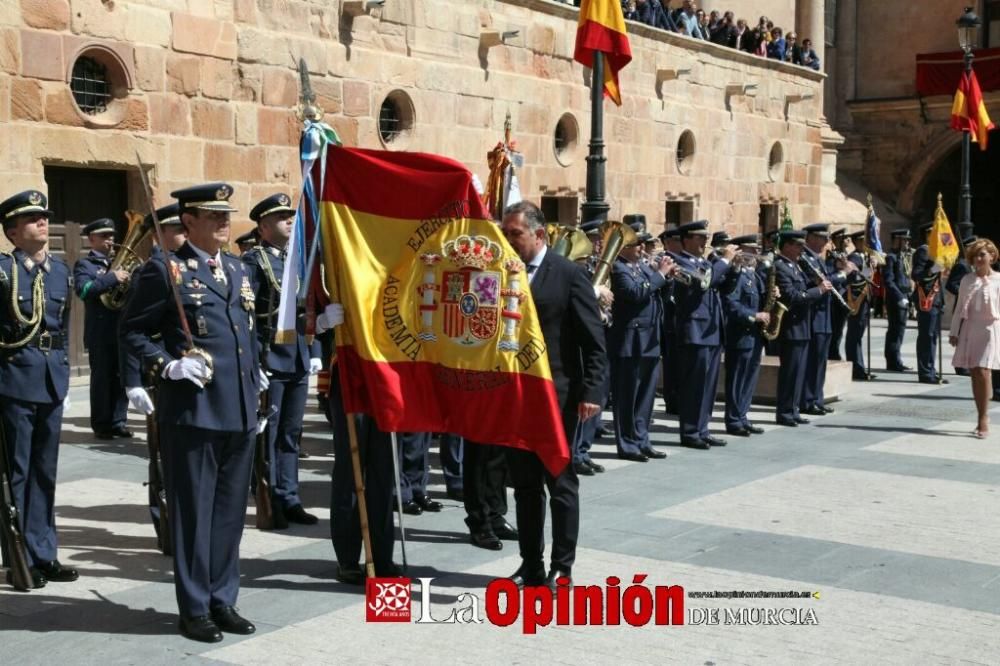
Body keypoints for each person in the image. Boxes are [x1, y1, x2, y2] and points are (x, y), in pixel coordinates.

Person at [120, 182, 262, 643]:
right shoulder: (166, 272)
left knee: (228, 514)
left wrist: (255, 375)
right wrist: (167, 365)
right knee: (194, 514)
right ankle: (195, 607)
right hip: (195, 411)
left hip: (238, 410)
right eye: (213, 215)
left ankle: (224, 599)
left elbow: (244, 332)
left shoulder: (239, 271)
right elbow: (133, 332)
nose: (224, 222)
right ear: (189, 222)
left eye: (226, 215)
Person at [500, 201, 606, 591]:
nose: (509, 241)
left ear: (539, 235)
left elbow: (593, 341)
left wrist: (592, 391)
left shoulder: (569, 275)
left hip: (558, 397)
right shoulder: (501, 273)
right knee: (525, 487)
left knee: (560, 484)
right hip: (516, 397)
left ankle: (563, 567)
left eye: (516, 234)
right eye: (506, 234)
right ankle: (530, 564)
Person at [0, 190, 77, 589]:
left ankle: (44, 552)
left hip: (51, 379)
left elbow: (61, 330)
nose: (43, 222)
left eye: (44, 216)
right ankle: (17, 556)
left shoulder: (61, 271)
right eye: (32, 219)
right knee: (17, 472)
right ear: (13, 232)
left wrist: (61, 366)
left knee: (44, 472)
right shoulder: (3, 271)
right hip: (14, 378)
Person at [242, 193, 321, 528]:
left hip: (298, 358)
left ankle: (290, 497)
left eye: (290, 216)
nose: (289, 220)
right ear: (262, 227)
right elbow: (247, 317)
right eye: (280, 217)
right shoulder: (254, 262)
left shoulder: (297, 261)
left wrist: (315, 351)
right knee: (269, 436)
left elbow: (307, 310)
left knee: (292, 434)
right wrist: (253, 363)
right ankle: (271, 497)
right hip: (270, 359)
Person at [608, 222, 675, 462]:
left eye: (643, 244)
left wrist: (668, 279)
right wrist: (660, 275)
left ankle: (642, 439)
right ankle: (627, 444)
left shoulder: (642, 267)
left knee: (646, 396)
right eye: (638, 244)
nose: (642, 248)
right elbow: (636, 294)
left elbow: (659, 294)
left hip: (649, 339)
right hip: (630, 340)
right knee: (627, 395)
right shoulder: (618, 268)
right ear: (624, 246)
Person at [673, 220, 734, 449]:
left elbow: (723, 286)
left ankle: (702, 428)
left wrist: (734, 268)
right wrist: (725, 261)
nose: (704, 242)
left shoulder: (704, 262)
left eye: (705, 238)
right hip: (695, 331)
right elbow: (703, 284)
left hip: (711, 329)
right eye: (699, 237)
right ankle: (690, 431)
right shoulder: (680, 262)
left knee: (708, 386)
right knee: (694, 385)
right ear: (686, 239)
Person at [73, 217, 132, 439]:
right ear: (92, 239)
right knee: (102, 379)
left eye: (112, 236)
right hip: (100, 332)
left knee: (121, 377)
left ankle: (119, 421)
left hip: (121, 329)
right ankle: (101, 424)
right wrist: (111, 278)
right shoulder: (85, 265)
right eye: (105, 236)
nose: (110, 240)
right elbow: (84, 290)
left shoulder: (119, 262)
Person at [773, 230, 832, 426]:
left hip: (803, 326)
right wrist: (819, 290)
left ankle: (793, 409)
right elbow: (793, 296)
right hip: (792, 327)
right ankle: (785, 412)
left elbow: (803, 289)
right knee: (790, 372)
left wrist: (814, 284)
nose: (801, 250)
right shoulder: (781, 266)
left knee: (799, 372)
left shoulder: (795, 267)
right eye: (798, 246)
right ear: (788, 246)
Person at [949, 239, 1000, 438]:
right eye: (975, 255)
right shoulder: (967, 280)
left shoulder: (998, 280)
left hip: (990, 329)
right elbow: (959, 307)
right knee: (974, 372)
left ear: (992, 257)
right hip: (971, 329)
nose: (978, 259)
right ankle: (980, 414)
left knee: (984, 371)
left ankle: (984, 418)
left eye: (982, 255)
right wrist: (954, 331)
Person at [721, 234, 769, 436]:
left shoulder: (754, 274)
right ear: (740, 251)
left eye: (756, 249)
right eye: (751, 250)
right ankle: (733, 420)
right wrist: (753, 316)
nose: (756, 253)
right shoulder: (737, 274)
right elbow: (731, 305)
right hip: (740, 334)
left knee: (749, 378)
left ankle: (742, 416)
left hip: (754, 336)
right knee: (737, 379)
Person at [799, 223, 845, 415]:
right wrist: (841, 274)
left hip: (824, 317)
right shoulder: (806, 258)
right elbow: (818, 283)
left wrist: (841, 272)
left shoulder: (818, 259)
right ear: (809, 238)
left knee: (821, 361)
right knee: (813, 361)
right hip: (814, 317)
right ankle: (808, 400)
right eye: (821, 237)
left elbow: (828, 282)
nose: (826, 241)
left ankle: (817, 398)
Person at [911, 223, 948, 384]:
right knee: (927, 336)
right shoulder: (923, 250)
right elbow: (916, 275)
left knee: (933, 336)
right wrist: (932, 270)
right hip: (926, 298)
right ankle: (925, 372)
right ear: (927, 235)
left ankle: (931, 370)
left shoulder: (936, 252)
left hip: (936, 300)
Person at [845, 230, 875, 381]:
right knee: (854, 336)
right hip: (856, 301)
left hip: (865, 300)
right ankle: (856, 367)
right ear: (856, 242)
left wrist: (871, 267)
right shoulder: (854, 257)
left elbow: (866, 276)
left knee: (858, 335)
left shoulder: (865, 257)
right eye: (863, 241)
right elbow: (855, 278)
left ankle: (860, 366)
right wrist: (868, 269)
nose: (866, 244)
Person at [882, 229, 913, 372]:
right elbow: (888, 281)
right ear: (897, 240)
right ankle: (893, 361)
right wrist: (899, 297)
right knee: (895, 330)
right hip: (896, 299)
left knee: (900, 330)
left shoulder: (903, 256)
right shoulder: (891, 257)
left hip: (905, 297)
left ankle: (896, 359)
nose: (907, 243)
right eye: (904, 240)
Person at [827, 228, 849, 360]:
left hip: (845, 296)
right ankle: (832, 352)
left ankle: (835, 350)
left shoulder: (845, 255)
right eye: (842, 239)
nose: (846, 241)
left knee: (840, 328)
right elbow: (831, 276)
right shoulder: (832, 257)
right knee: (835, 328)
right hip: (835, 297)